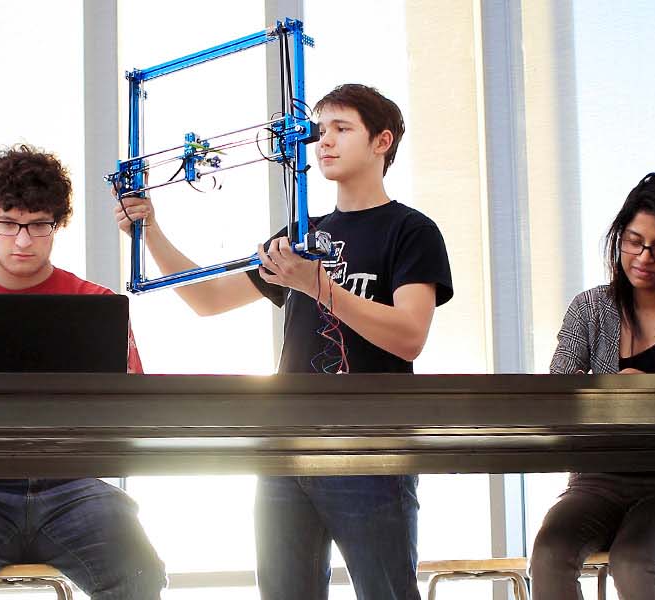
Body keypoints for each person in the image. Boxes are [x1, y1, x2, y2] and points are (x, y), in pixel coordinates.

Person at [114, 83, 453, 600]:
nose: (324, 142)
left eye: (342, 129)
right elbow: (208, 299)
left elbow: (409, 336)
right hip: (283, 447)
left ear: (382, 141)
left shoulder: (410, 230)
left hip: (368, 449)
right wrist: (152, 231)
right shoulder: (297, 234)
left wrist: (315, 284)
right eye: (320, 131)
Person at [0, 144, 166, 600]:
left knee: (138, 567)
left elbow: (132, 406)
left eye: (38, 225)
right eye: (8, 224)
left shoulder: (96, 305)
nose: (22, 241)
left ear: (56, 224)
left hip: (75, 487)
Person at [530, 173, 655, 600]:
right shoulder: (590, 308)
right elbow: (557, 393)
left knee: (635, 561)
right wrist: (607, 393)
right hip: (595, 482)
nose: (642, 256)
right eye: (633, 241)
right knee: (548, 553)